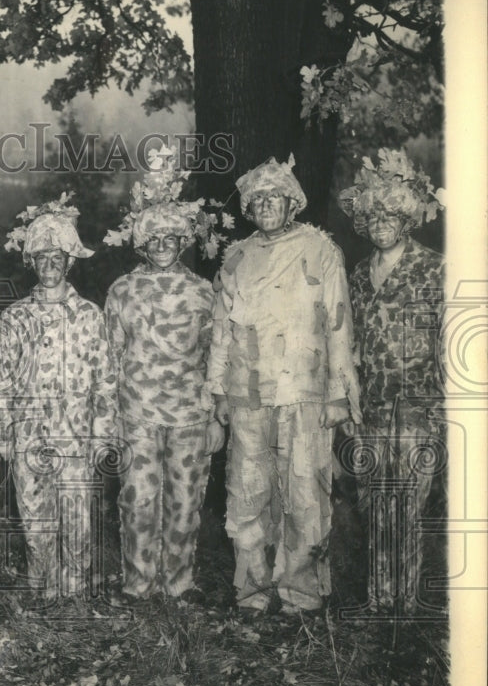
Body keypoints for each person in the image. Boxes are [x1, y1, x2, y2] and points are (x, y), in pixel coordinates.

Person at [207, 155, 361, 615]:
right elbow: (221, 329)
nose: (267, 205)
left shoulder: (321, 250)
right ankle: (252, 590)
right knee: (248, 490)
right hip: (249, 393)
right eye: (258, 200)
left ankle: (301, 593)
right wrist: (217, 391)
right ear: (249, 209)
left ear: (293, 202)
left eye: (276, 197)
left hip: (305, 391)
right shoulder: (236, 256)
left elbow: (339, 324)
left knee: (304, 493)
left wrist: (339, 392)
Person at [103, 148, 230, 603]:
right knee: (137, 503)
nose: (162, 246)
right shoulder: (122, 290)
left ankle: (179, 583)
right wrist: (108, 417)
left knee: (185, 505)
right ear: (142, 242)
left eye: (171, 238)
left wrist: (217, 414)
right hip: (136, 413)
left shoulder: (201, 291)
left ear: (182, 241)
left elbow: (218, 355)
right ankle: (139, 585)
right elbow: (108, 357)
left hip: (190, 415)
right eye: (153, 239)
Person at [0, 193, 118, 602]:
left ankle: (75, 589)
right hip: (29, 435)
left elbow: (106, 380)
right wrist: (2, 436)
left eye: (57, 258)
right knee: (34, 516)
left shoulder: (90, 315)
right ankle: (41, 586)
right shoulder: (15, 317)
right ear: (30, 263)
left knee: (77, 517)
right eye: (41, 258)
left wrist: (102, 436)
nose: (50, 266)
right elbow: (1, 382)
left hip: (75, 436)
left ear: (69, 262)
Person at [338, 148, 446, 614]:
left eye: (391, 214)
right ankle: (379, 603)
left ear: (406, 219)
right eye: (373, 216)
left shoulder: (435, 268)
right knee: (375, 504)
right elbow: (350, 343)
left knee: (409, 506)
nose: (381, 223)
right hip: (374, 406)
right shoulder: (359, 275)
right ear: (364, 221)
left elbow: (450, 342)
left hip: (419, 406)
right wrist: (349, 401)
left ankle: (406, 607)